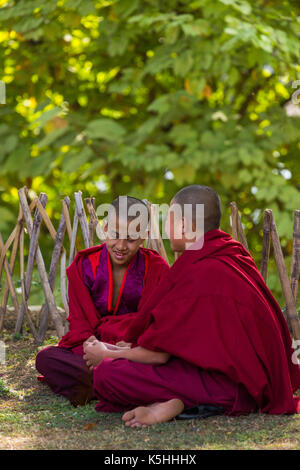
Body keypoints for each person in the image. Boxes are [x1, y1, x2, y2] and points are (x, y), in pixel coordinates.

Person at [83, 185, 300, 427]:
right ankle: (176, 402)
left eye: (170, 220)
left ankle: (180, 402)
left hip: (230, 387)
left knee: (108, 374)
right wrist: (119, 350)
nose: (166, 228)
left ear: (184, 226)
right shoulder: (232, 254)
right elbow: (191, 342)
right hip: (242, 375)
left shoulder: (199, 271)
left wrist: (108, 354)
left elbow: (160, 354)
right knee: (118, 364)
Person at [35, 196, 169, 405]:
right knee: (46, 358)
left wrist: (119, 350)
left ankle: (100, 385)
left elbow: (157, 327)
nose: (121, 245)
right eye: (115, 235)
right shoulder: (84, 266)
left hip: (133, 350)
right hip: (93, 349)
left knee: (162, 362)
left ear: (144, 236)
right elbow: (80, 327)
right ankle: (122, 386)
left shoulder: (157, 269)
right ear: (105, 228)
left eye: (131, 239)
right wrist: (96, 349)